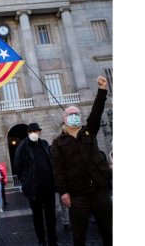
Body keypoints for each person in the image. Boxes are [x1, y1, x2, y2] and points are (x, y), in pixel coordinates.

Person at [50, 76, 113, 246]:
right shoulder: (58, 143)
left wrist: (102, 90)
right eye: (71, 114)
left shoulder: (89, 131)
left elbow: (97, 111)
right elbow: (57, 170)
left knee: (109, 231)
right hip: (77, 194)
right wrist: (63, 192)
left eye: (77, 114)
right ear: (65, 119)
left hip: (100, 189)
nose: (75, 116)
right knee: (79, 236)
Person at [14, 123, 60, 246]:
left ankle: (53, 241)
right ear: (28, 133)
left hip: (48, 187)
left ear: (39, 132)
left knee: (51, 216)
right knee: (37, 216)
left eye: (37, 130)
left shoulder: (44, 144)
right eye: (32, 131)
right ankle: (41, 241)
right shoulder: (22, 146)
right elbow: (18, 167)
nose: (35, 133)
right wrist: (26, 181)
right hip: (34, 189)